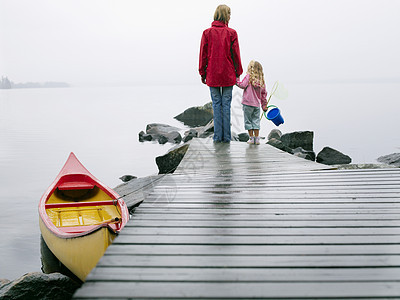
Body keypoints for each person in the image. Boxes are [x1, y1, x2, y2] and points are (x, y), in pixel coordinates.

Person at [199, 4, 243, 143]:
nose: (230, 17)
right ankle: (227, 138)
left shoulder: (207, 33)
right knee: (226, 105)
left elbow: (203, 55)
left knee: (216, 105)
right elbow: (236, 55)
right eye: (229, 14)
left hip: (212, 74)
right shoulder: (231, 33)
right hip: (228, 74)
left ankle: (217, 137)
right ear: (225, 15)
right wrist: (238, 72)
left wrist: (202, 72)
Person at [236, 60, 268, 145]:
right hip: (257, 105)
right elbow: (264, 94)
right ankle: (257, 139)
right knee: (256, 121)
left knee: (248, 121)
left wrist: (237, 80)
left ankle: (251, 139)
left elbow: (242, 85)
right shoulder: (261, 81)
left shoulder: (248, 77)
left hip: (247, 104)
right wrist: (264, 105)